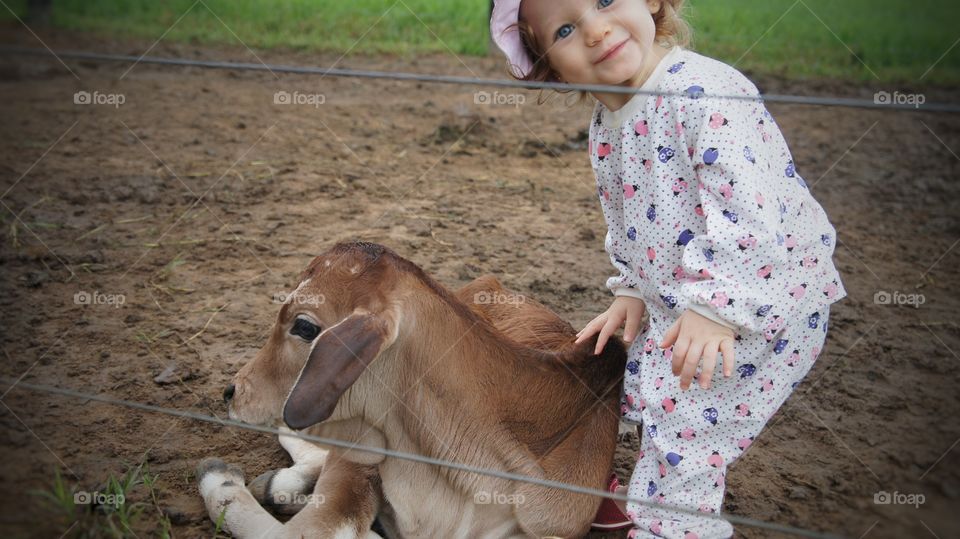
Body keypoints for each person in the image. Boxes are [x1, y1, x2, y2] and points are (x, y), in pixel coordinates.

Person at [490, 1, 848, 537]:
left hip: (766, 297)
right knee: (637, 388)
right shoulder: (607, 124)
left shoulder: (702, 94)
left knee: (686, 430)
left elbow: (750, 215)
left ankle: (672, 527)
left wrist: (717, 309)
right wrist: (631, 288)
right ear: (550, 66)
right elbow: (628, 212)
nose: (596, 29)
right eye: (565, 29)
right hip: (691, 301)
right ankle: (619, 489)